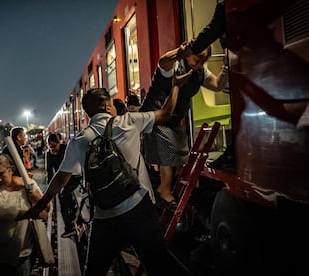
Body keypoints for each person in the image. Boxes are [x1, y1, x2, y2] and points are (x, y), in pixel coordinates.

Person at [27, 53, 193, 276]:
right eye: (112, 105)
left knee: (94, 270)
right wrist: (175, 86)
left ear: (88, 112)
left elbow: (60, 179)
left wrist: (41, 205)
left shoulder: (79, 140)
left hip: (105, 216)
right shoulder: (128, 121)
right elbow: (165, 114)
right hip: (138, 209)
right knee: (159, 265)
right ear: (106, 107)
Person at [139, 42, 229, 210]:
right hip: (155, 116)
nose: (199, 63)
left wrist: (225, 70)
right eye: (198, 58)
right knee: (168, 143)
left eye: (204, 60)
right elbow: (162, 61)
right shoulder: (172, 66)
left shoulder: (200, 71)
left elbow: (217, 85)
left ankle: (164, 189)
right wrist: (179, 53)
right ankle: (163, 191)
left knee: (179, 147)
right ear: (188, 53)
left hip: (173, 119)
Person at [0, 153, 48, 276]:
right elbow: (4, 213)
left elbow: (46, 210)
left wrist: (36, 197)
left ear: (11, 170)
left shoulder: (28, 185)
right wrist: (34, 213)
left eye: (1, 174)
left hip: (23, 251)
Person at [45, 132, 82, 238]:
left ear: (59, 143)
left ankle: (70, 226)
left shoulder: (66, 149)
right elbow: (49, 171)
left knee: (63, 195)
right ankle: (72, 216)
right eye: (50, 146)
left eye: (54, 146)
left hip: (74, 176)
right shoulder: (49, 154)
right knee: (65, 197)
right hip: (62, 179)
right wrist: (50, 188)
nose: (52, 148)